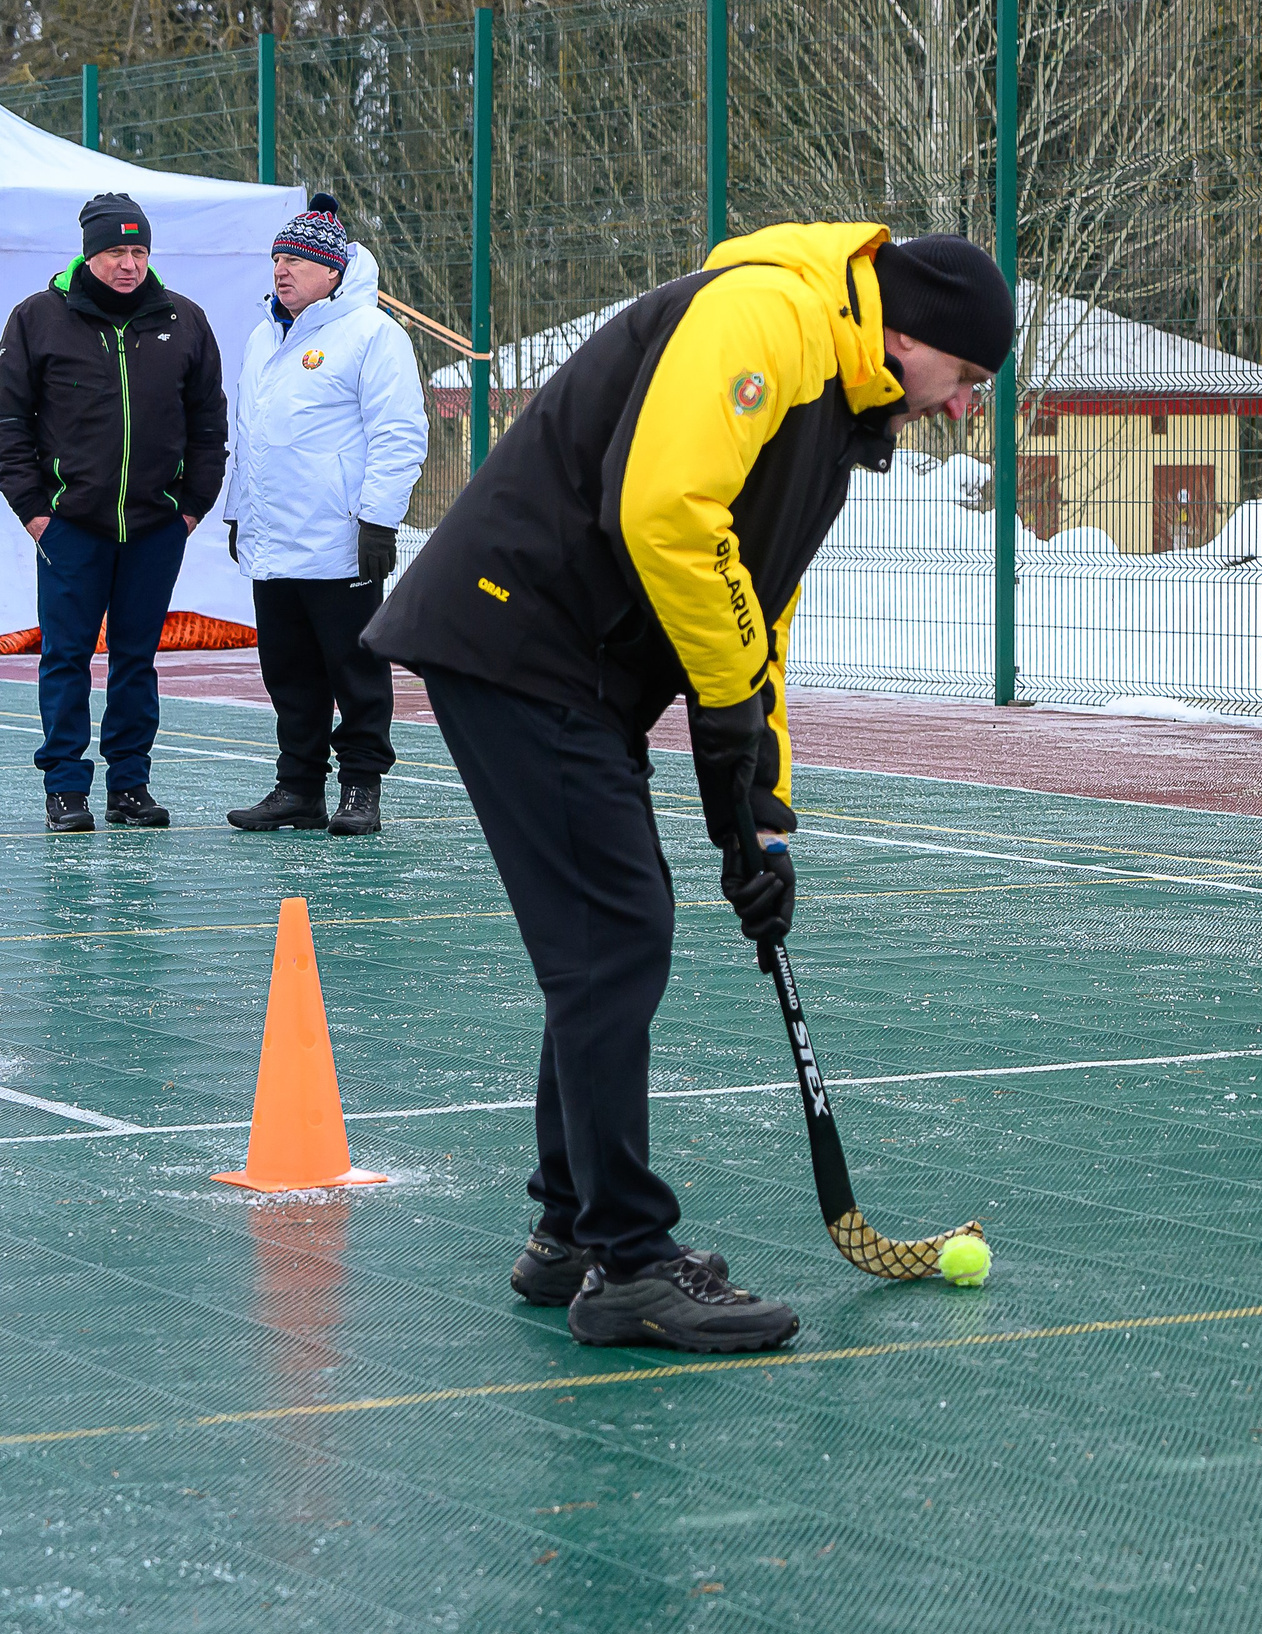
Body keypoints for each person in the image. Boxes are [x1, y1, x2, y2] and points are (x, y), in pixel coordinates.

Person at [364, 224, 1010, 1353]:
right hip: (521, 638)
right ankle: (626, 1261)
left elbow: (759, 614)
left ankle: (571, 1229)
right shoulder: (769, 319)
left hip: (569, 666)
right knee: (614, 933)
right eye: (964, 378)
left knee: (610, 931)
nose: (960, 408)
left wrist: (760, 809)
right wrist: (719, 711)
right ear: (910, 337)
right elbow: (663, 510)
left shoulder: (836, 409)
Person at [0, 192, 227, 832]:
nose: (129, 264)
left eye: (139, 251)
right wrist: (36, 511)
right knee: (66, 657)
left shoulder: (185, 320)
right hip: (71, 528)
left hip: (157, 527)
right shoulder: (37, 319)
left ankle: (130, 785)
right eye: (116, 252)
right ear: (89, 254)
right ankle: (65, 788)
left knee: (136, 658)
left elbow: (209, 423)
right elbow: (8, 422)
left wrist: (191, 507)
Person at [224, 193, 429, 837]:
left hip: (340, 540)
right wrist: (238, 512)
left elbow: (399, 433)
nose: (281, 270)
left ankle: (361, 787)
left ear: (334, 270)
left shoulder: (372, 333)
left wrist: (378, 520)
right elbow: (248, 435)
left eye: (296, 261)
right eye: (277, 259)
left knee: (355, 671)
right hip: (272, 540)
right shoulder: (263, 336)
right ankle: (299, 788)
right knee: (288, 673)